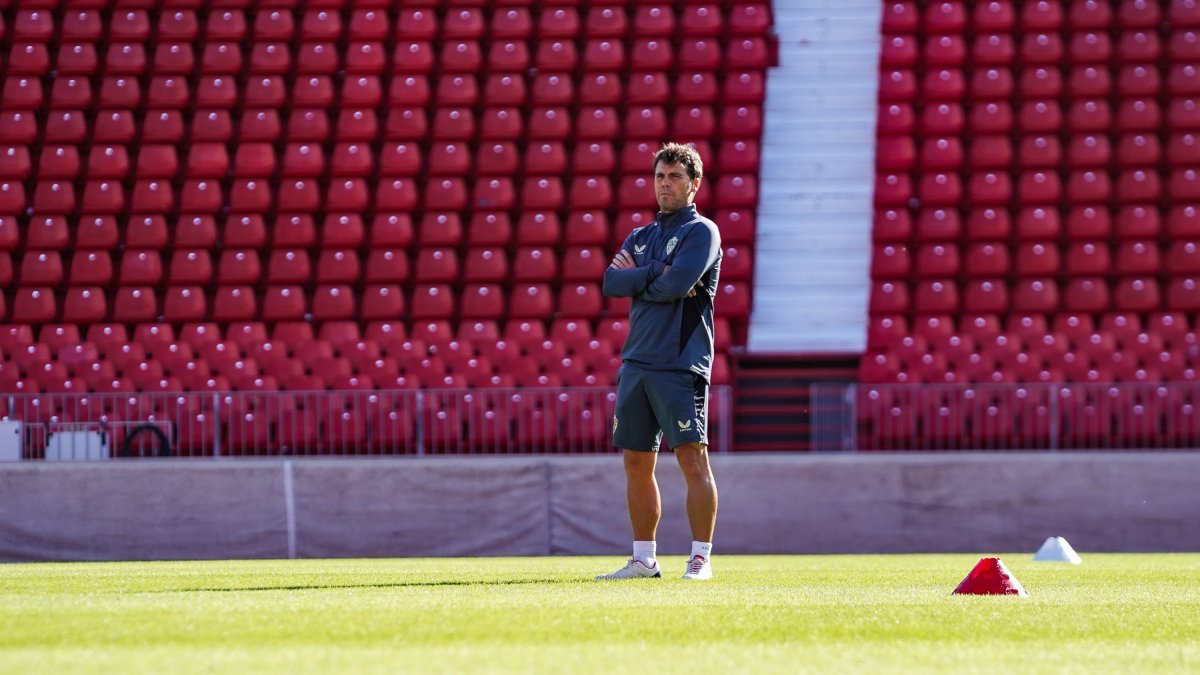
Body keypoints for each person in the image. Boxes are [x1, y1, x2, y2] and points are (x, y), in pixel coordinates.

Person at [596, 142, 723, 581]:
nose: (664, 184)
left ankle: (700, 557)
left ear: (694, 184)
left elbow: (677, 287)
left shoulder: (702, 232)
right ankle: (643, 559)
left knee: (692, 457)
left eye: (674, 177)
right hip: (638, 361)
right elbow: (612, 282)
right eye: (659, 177)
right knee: (636, 461)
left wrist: (645, 276)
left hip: (680, 362)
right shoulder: (640, 235)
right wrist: (656, 271)